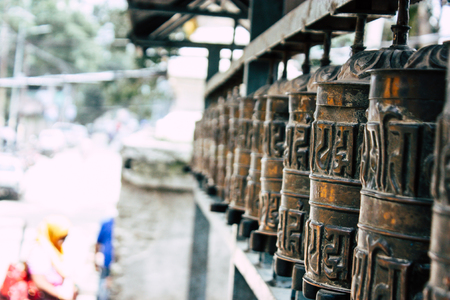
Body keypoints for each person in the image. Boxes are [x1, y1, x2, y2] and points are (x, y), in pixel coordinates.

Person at [27, 215, 77, 300]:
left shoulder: (55, 249)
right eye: (61, 237)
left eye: (65, 237)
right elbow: (39, 281)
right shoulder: (39, 251)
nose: (63, 240)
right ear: (53, 233)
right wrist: (61, 295)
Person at [95, 217, 114, 300]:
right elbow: (98, 243)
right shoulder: (108, 223)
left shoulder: (107, 223)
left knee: (103, 291)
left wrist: (95, 261)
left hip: (107, 262)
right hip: (107, 263)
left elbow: (98, 244)